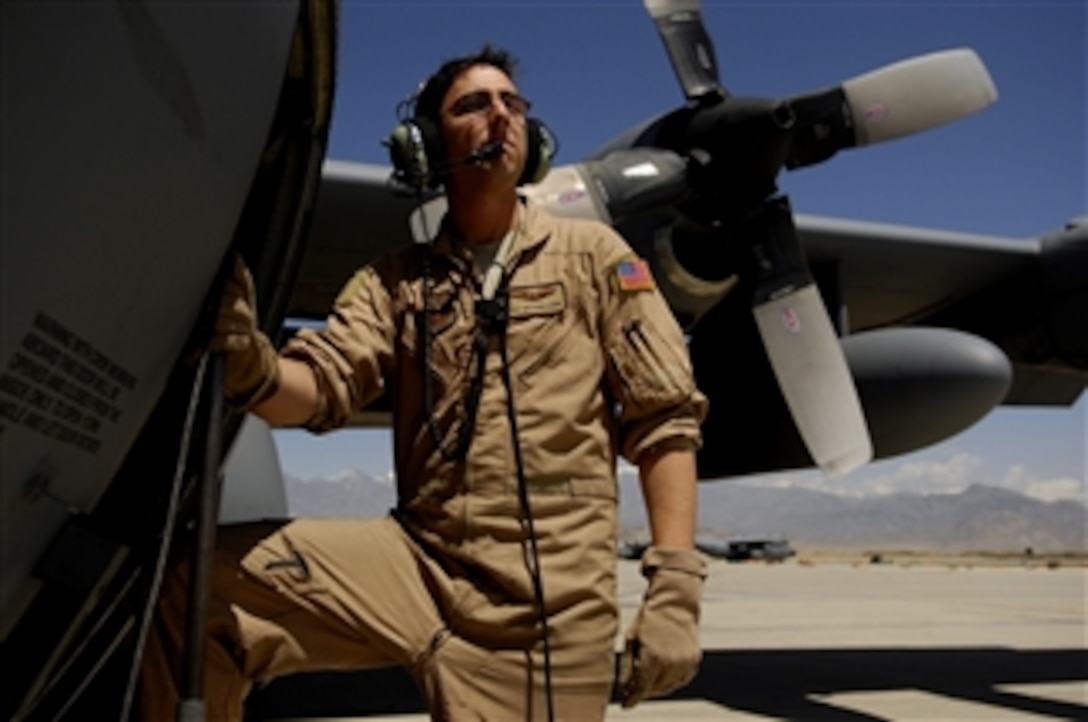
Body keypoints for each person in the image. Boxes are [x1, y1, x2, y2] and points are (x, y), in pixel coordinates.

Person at [139, 44, 708, 721]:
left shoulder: (597, 259)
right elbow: (318, 388)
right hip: (418, 565)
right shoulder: (394, 282)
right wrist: (252, 365)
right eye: (474, 104)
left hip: (545, 609)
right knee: (194, 588)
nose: (501, 115)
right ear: (431, 145)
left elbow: (664, 420)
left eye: (513, 103)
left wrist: (674, 588)